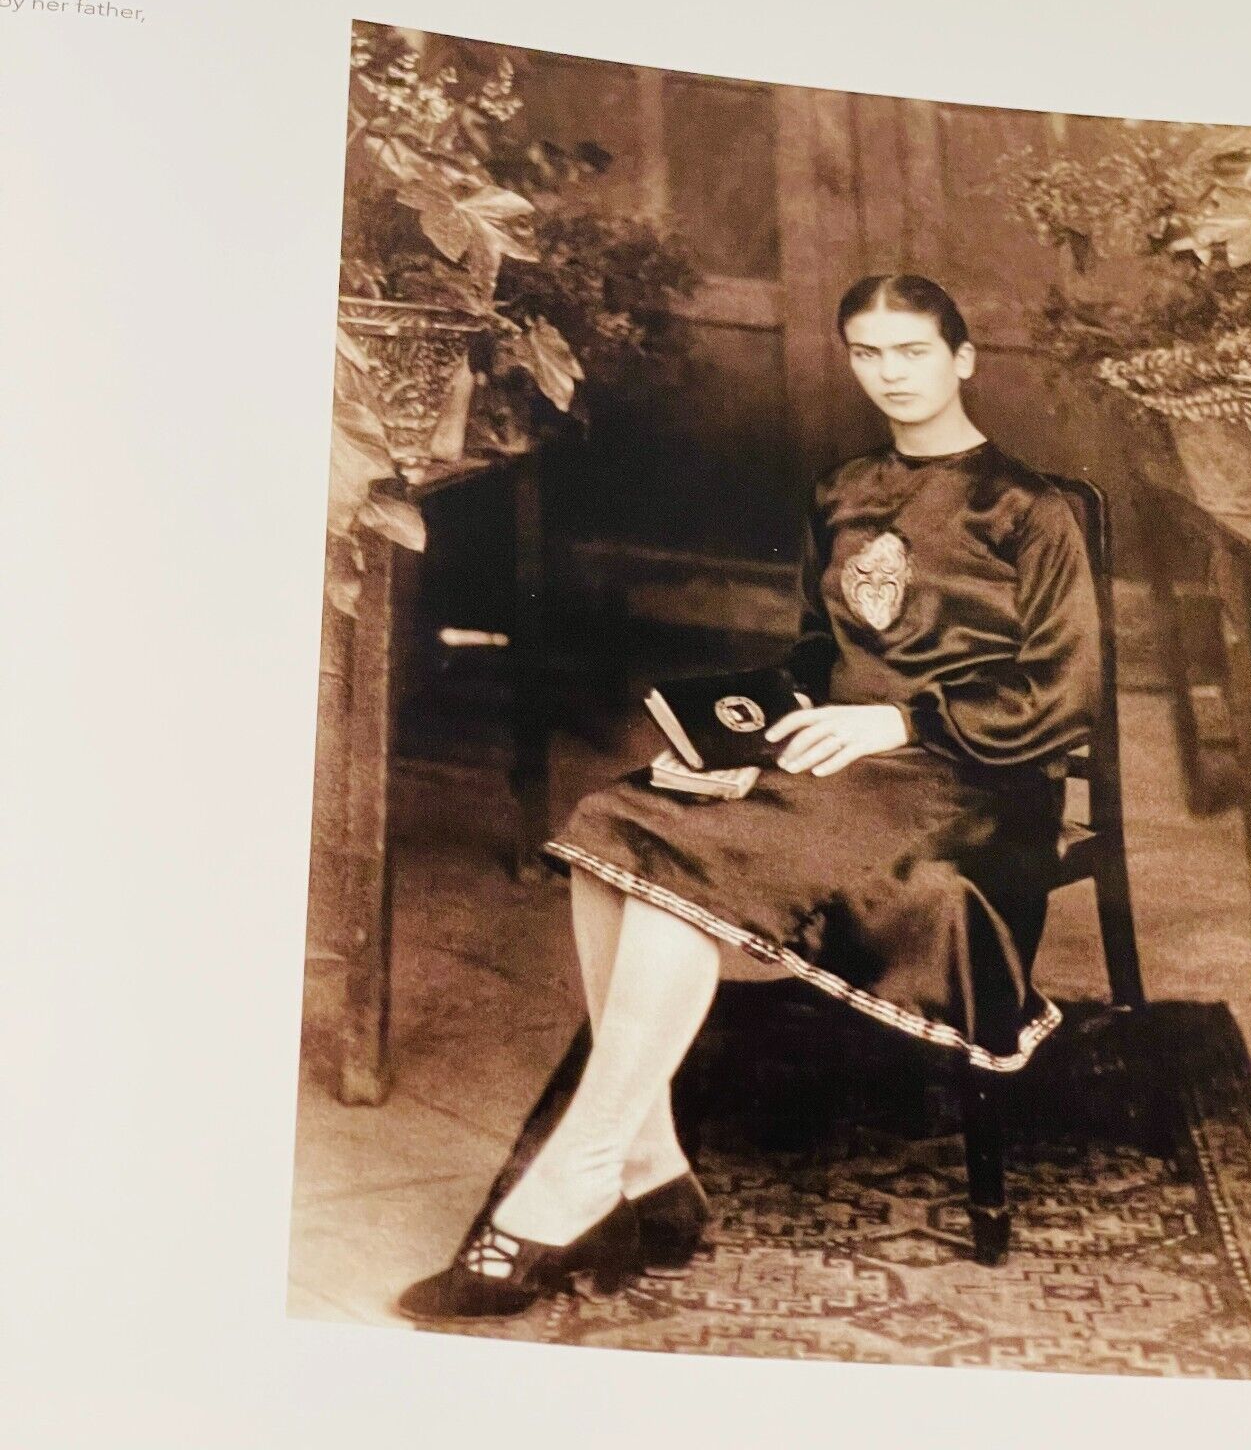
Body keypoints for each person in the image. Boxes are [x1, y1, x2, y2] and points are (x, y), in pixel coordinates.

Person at [398, 273, 1101, 1321]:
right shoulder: (842, 491)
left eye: (913, 351)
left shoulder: (1031, 510)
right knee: (619, 817)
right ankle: (652, 1165)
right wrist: (738, 734)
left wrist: (903, 723)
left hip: (974, 776)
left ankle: (579, 1177)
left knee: (688, 860)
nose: (891, 373)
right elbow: (816, 655)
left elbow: (1067, 692)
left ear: (962, 359)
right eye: (868, 353)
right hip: (836, 760)